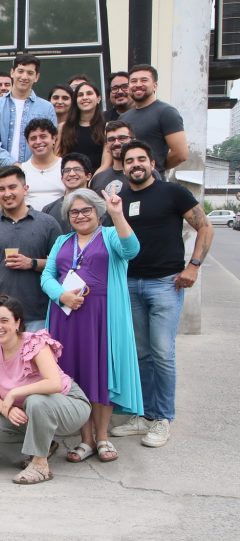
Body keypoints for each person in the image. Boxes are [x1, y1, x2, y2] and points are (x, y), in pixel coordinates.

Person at [109, 140, 213, 448]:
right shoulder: (120, 199)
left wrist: (193, 266)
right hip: (130, 284)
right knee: (141, 353)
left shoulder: (173, 193)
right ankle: (145, 414)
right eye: (130, 161)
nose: (136, 165)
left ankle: (163, 418)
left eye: (141, 159)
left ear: (152, 163)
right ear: (124, 167)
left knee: (162, 353)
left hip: (165, 284)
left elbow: (205, 227)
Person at [41, 189, 143, 463]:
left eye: (86, 210)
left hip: (102, 317)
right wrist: (61, 295)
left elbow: (132, 249)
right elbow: (47, 276)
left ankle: (103, 437)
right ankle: (85, 439)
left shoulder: (110, 235)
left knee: (101, 374)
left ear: (98, 213)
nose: (80, 216)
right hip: (66, 317)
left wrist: (117, 214)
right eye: (74, 212)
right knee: (74, 376)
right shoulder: (62, 241)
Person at [0, 296, 91, 485]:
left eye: (4, 320)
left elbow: (54, 384)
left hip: (68, 404)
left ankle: (40, 465)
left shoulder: (34, 342)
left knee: (35, 400)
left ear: (17, 322)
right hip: (29, 412)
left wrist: (14, 393)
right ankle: (36, 452)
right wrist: (7, 410)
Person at [0, 166, 62, 332]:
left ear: (25, 189)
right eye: (1, 189)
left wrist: (32, 263)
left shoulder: (48, 223)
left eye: (12, 187)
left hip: (38, 315)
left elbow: (61, 265)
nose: (7, 193)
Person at [0, 54, 58, 166]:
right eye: (20, 71)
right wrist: (13, 165)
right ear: (12, 72)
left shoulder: (47, 108)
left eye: (30, 73)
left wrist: (30, 168)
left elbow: (50, 142)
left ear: (36, 77)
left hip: (36, 170)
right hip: (2, 171)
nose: (24, 77)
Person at [120, 64, 189, 173]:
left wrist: (155, 167)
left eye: (144, 80)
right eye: (133, 81)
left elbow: (181, 154)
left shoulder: (166, 112)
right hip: (127, 180)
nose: (138, 84)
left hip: (153, 180)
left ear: (155, 85)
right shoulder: (123, 117)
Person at [90, 121, 158, 194]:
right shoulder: (98, 179)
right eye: (111, 139)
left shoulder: (146, 172)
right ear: (106, 144)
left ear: (133, 141)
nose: (116, 143)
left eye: (122, 138)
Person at [56, 81, 106, 170]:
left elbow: (106, 164)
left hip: (98, 177)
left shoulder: (106, 128)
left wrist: (94, 178)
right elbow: (57, 158)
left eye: (89, 93)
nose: (85, 97)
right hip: (70, 176)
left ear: (98, 99)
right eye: (80, 95)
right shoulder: (63, 127)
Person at [42, 154, 96, 233]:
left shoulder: (99, 206)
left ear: (88, 176)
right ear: (62, 178)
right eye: (67, 170)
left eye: (77, 169)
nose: (71, 174)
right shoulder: (48, 210)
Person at [20, 118, 64, 210]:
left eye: (43, 136)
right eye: (33, 138)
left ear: (54, 139)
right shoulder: (21, 170)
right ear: (28, 142)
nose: (38, 142)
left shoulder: (65, 167)